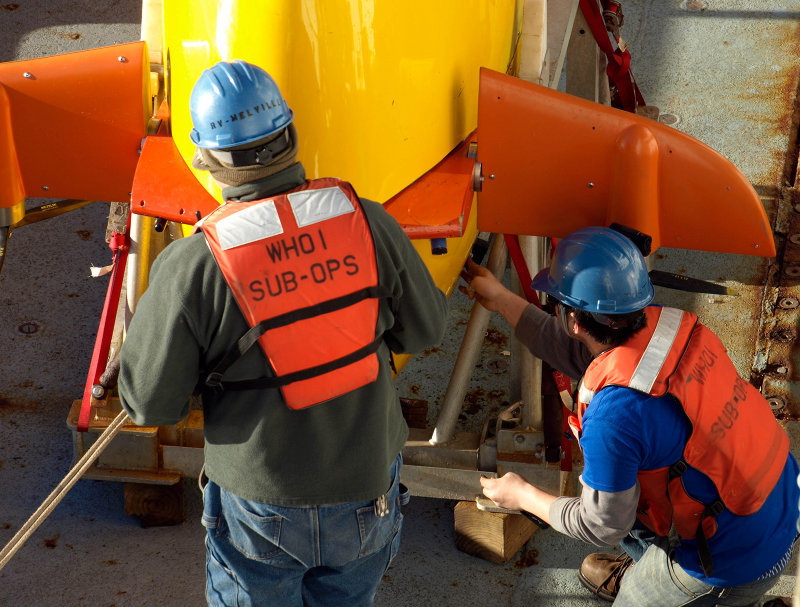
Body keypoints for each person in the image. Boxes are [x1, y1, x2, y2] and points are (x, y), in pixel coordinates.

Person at [117, 60, 447, 607]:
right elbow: (427, 328)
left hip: (260, 503)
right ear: (290, 135)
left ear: (205, 157)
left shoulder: (193, 266)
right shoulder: (366, 221)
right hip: (366, 490)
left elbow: (150, 404)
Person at [461, 226, 799, 607]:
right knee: (632, 480)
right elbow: (577, 352)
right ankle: (654, 567)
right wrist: (501, 298)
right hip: (779, 503)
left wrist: (522, 495)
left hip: (733, 562)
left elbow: (600, 523)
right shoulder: (664, 327)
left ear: (573, 319)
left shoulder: (615, 417)